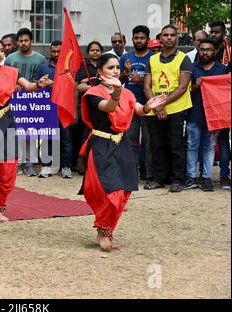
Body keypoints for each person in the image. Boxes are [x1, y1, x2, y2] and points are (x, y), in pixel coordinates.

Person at [79, 53, 166, 251]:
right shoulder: (93, 93)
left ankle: (108, 232)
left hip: (123, 145)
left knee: (124, 191)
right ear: (100, 71)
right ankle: (102, 231)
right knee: (112, 191)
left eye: (117, 67)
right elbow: (109, 107)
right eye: (111, 68)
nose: (116, 71)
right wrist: (116, 93)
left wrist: (149, 107)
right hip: (101, 144)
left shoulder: (127, 94)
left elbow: (139, 110)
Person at [0, 38, 52, 222]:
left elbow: (29, 86)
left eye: (1, 50)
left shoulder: (12, 72)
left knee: (7, 168)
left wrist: (39, 84)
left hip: (6, 120)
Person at [143, 24, 193, 192]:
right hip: (155, 109)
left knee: (176, 145)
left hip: (176, 109)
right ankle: (159, 178)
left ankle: (178, 179)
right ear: (160, 38)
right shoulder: (152, 59)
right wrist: (156, 108)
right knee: (156, 145)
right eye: (166, 35)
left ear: (177, 37)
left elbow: (182, 87)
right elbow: (147, 87)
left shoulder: (183, 58)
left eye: (172, 35)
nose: (169, 38)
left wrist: (162, 104)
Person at [183, 38, 229, 191]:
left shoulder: (222, 69)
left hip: (214, 117)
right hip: (194, 114)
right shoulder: (191, 68)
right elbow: (183, 90)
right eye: (202, 49)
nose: (205, 52)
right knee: (192, 146)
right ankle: (191, 177)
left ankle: (207, 178)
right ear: (198, 51)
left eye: (208, 49)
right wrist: (195, 86)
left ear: (214, 51)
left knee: (209, 147)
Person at [4, 28, 47, 177]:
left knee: (31, 133)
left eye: (26, 40)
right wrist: (13, 85)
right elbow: (5, 78)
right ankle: (17, 164)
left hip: (33, 101)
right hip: (15, 101)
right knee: (15, 132)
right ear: (17, 42)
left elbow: (42, 78)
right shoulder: (10, 59)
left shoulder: (40, 59)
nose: (23, 43)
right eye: (21, 41)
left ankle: (29, 164)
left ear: (31, 41)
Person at [119, 25, 154, 182]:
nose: (139, 40)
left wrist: (141, 80)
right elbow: (118, 82)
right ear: (132, 39)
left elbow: (157, 82)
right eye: (136, 38)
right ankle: (132, 172)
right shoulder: (125, 58)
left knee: (149, 141)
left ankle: (148, 172)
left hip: (148, 105)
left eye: (142, 38)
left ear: (147, 39)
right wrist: (125, 73)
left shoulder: (154, 58)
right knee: (130, 140)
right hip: (130, 105)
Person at [34, 40, 64, 178]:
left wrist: (55, 84)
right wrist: (41, 83)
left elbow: (72, 86)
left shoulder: (69, 67)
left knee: (66, 137)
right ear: (50, 51)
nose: (56, 54)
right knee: (47, 136)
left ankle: (65, 166)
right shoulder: (43, 67)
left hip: (64, 107)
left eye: (59, 51)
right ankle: (46, 165)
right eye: (54, 51)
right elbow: (35, 84)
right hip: (46, 107)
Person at [74, 41, 103, 177]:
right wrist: (93, 89)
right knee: (84, 136)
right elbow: (79, 87)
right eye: (92, 50)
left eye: (97, 50)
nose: (95, 52)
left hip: (103, 108)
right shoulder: (83, 66)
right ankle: (82, 166)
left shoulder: (105, 64)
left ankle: (98, 165)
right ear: (88, 52)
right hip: (86, 106)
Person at [209, 20, 231, 190]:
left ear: (223, 33)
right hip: (208, 101)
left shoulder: (229, 53)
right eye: (212, 32)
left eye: (217, 32)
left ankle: (224, 175)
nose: (213, 35)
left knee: (223, 139)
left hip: (225, 102)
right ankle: (205, 176)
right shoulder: (206, 51)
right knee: (206, 140)